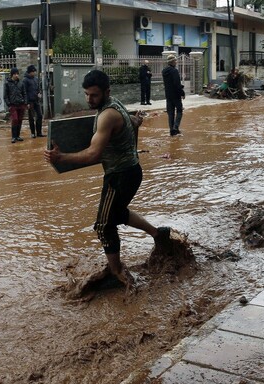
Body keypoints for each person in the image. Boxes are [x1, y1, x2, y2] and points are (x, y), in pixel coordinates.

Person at [43, 70, 170, 291]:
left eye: (94, 95)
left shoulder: (107, 115)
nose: (89, 99)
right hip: (131, 171)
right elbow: (131, 121)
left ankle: (117, 272)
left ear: (106, 92)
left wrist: (61, 157)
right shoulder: (116, 105)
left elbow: (93, 154)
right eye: (86, 94)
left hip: (119, 176)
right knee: (118, 213)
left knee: (103, 225)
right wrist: (137, 121)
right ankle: (159, 234)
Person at [162, 54, 185, 136]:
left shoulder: (164, 71)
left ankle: (172, 130)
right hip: (176, 95)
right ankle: (175, 127)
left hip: (168, 95)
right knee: (179, 110)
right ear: (172, 62)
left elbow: (169, 83)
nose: (176, 62)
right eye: (175, 60)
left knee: (170, 113)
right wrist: (182, 92)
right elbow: (176, 84)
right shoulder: (174, 71)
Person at [4, 67, 27, 143]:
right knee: (15, 120)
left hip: (21, 104)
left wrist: (25, 102)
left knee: (20, 120)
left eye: (17, 74)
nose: (16, 75)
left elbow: (24, 93)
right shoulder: (7, 83)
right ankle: (13, 137)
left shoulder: (21, 83)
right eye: (15, 74)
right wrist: (9, 104)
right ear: (12, 75)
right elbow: (5, 95)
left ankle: (18, 136)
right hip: (12, 105)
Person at [23, 65, 44, 138]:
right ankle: (32, 133)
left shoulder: (36, 79)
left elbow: (38, 88)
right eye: (33, 72)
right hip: (30, 101)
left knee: (40, 116)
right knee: (31, 117)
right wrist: (27, 102)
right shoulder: (25, 80)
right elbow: (24, 92)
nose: (34, 73)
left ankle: (39, 132)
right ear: (30, 72)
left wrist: (39, 93)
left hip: (36, 100)